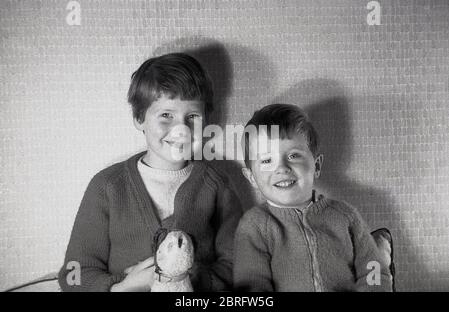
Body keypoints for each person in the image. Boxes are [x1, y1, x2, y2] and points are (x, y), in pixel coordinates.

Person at [58, 53, 242, 291]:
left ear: (207, 119)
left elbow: (239, 263)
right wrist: (121, 287)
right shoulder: (107, 186)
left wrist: (188, 277)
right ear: (139, 118)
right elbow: (74, 273)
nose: (180, 129)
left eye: (193, 116)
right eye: (166, 115)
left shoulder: (218, 186)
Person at [233, 103, 392, 291]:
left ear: (316, 166)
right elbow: (252, 286)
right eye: (267, 160)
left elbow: (373, 269)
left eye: (293, 155)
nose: (282, 168)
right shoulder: (254, 226)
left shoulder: (346, 216)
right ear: (251, 176)